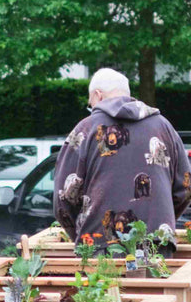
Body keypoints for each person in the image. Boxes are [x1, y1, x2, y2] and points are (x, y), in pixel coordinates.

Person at [55, 68, 191, 244]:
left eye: (90, 104)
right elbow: (186, 188)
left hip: (101, 248)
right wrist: (159, 220)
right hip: (156, 248)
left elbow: (63, 198)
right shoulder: (164, 128)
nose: (91, 109)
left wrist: (82, 235)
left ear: (98, 95)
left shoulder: (85, 130)